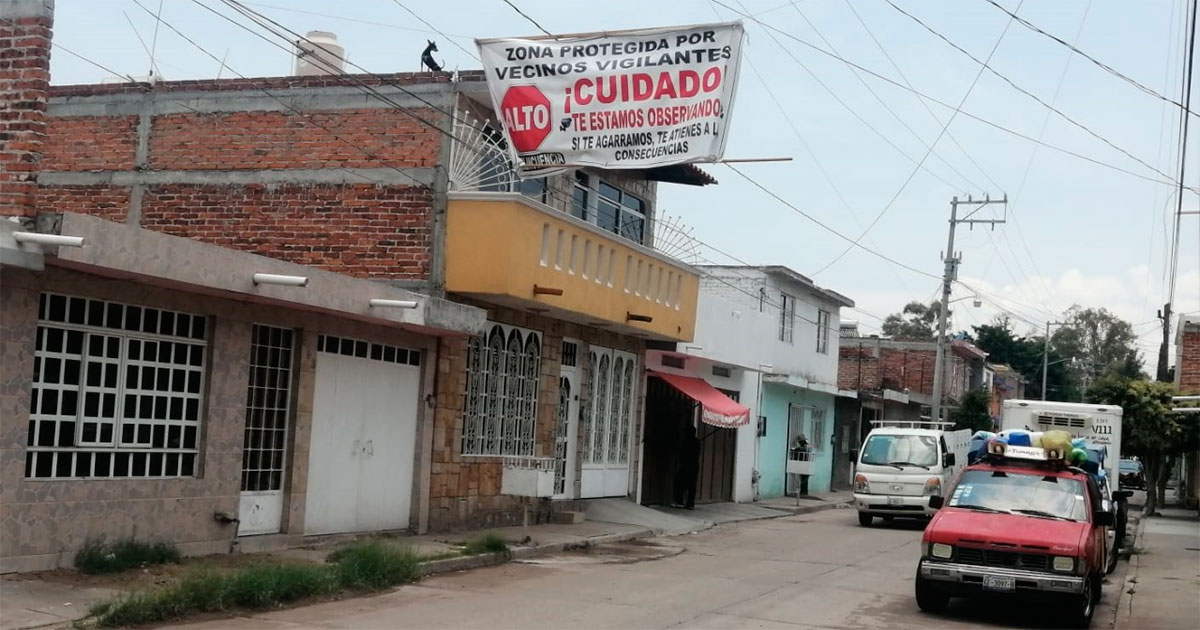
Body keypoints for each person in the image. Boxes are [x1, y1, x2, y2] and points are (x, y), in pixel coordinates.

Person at [674, 424, 700, 509]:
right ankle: (690, 504)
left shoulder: (686, 441)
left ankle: (679, 502)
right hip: (694, 466)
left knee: (681, 484)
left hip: (686, 465)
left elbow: (682, 453)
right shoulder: (697, 442)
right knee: (692, 486)